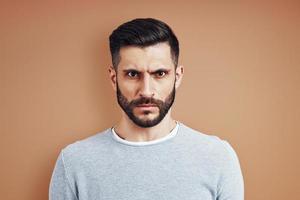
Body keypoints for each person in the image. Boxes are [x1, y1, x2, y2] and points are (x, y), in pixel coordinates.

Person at [49, 18, 244, 200]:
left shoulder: (218, 157)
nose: (146, 91)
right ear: (114, 78)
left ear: (177, 77)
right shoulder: (75, 162)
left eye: (160, 73)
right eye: (133, 74)